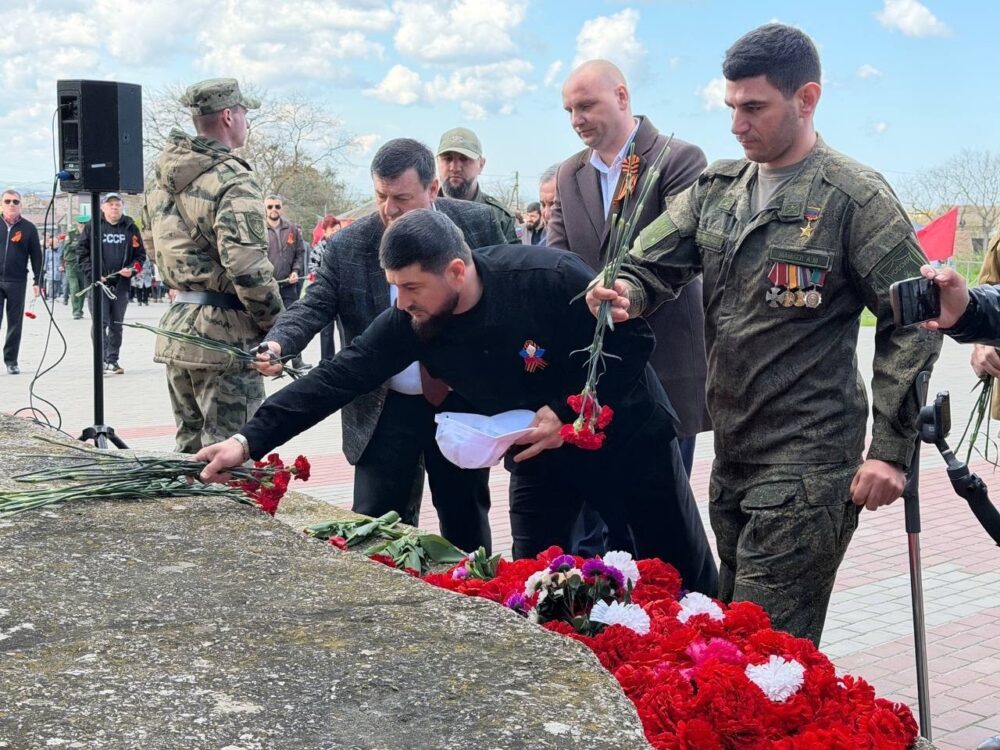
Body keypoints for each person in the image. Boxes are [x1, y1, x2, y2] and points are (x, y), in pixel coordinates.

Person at [585, 23, 942, 645]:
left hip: (808, 465)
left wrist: (891, 449)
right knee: (743, 643)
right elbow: (648, 262)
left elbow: (915, 318)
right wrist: (623, 291)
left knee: (758, 650)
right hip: (734, 457)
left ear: (807, 98)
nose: (736, 124)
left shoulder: (853, 198)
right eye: (730, 106)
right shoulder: (719, 190)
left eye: (754, 107)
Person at [200, 209, 719, 594]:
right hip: (537, 454)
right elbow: (338, 377)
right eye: (394, 288)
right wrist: (246, 442)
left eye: (411, 287)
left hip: (625, 439)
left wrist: (565, 413)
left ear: (455, 271)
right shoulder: (414, 320)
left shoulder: (547, 278)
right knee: (534, 579)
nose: (402, 302)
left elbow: (633, 343)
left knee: (676, 573)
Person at [254, 138, 508, 554]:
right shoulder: (348, 245)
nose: (389, 209)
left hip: (459, 401)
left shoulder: (477, 225)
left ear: (432, 190)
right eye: (380, 196)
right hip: (382, 408)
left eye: (402, 198)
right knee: (373, 531)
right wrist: (279, 342)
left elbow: (505, 296)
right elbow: (315, 304)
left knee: (465, 523)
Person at [549, 58, 711, 557]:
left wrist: (625, 290)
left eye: (586, 105)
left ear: (622, 97)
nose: (577, 119)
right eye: (569, 110)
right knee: (598, 521)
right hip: (594, 378)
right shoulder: (569, 173)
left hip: (663, 368)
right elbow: (557, 260)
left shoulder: (678, 159)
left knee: (661, 522)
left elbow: (682, 253)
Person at [143, 77, 284, 453]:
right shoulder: (233, 180)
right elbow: (247, 265)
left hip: (179, 328)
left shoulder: (159, 179)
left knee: (190, 454)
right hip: (224, 339)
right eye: (244, 113)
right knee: (230, 458)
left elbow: (153, 246)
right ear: (228, 116)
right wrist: (277, 327)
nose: (247, 121)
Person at [78, 193, 146, 375]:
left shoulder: (130, 227)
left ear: (122, 207)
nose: (114, 207)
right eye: (110, 204)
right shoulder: (92, 226)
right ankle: (100, 361)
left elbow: (140, 256)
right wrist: (93, 274)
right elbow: (81, 254)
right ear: (102, 207)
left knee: (116, 324)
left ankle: (112, 360)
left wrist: (132, 269)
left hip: (121, 285)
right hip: (98, 284)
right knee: (100, 323)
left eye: (118, 204)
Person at [436, 127, 519, 243]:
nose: (455, 168)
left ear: (481, 165)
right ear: (437, 162)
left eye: (464, 159)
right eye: (448, 159)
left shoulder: (500, 218)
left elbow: (513, 254)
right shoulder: (424, 209)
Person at [263, 195, 309, 370]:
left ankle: (297, 361)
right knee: (268, 323)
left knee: (293, 322)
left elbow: (300, 252)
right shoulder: (260, 230)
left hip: (289, 285)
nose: (273, 209)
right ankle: (266, 362)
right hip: (268, 286)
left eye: (277, 206)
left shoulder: (291, 229)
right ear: (265, 209)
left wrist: (295, 270)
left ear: (281, 208)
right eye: (270, 207)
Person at [0, 189, 41, 374]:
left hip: (17, 281)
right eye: (7, 201)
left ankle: (11, 361)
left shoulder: (28, 228)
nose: (11, 204)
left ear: (21, 205)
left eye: (15, 202)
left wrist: (38, 280)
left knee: (15, 323)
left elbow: (37, 256)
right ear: (1, 204)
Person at [310, 215, 342, 361]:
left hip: (342, 295)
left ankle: (347, 359)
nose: (336, 233)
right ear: (325, 231)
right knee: (326, 332)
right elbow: (313, 268)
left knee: (345, 329)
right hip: (326, 295)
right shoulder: (318, 249)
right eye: (332, 230)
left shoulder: (344, 247)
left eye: (338, 230)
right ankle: (326, 361)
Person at [62, 216, 88, 319]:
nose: (83, 226)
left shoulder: (89, 233)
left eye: (85, 224)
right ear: (78, 224)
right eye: (81, 224)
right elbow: (67, 247)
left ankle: (80, 310)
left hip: (83, 264)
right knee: (74, 288)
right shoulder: (71, 233)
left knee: (83, 288)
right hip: (71, 264)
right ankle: (76, 311)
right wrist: (80, 244)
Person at [43, 236, 64, 302]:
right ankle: (51, 297)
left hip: (58, 270)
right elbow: (45, 261)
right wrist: (45, 270)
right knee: (51, 284)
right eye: (56, 243)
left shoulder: (60, 250)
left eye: (57, 243)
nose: (57, 244)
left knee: (57, 283)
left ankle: (55, 296)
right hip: (50, 270)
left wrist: (62, 266)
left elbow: (62, 259)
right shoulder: (47, 251)